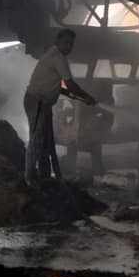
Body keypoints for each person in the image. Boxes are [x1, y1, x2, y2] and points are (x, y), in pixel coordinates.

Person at [24, 29, 96, 186]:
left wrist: (70, 94)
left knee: (46, 140)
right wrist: (86, 97)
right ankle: (29, 179)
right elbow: (69, 83)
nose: (69, 46)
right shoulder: (58, 57)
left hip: (41, 102)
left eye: (71, 44)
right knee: (37, 140)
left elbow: (55, 84)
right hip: (37, 101)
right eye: (66, 43)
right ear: (58, 42)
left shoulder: (52, 54)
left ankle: (44, 177)